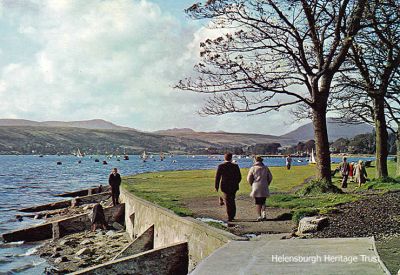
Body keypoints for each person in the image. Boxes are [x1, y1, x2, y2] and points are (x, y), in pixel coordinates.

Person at [215, 153, 242, 222]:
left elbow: (217, 177)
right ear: (231, 158)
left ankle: (230, 217)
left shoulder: (221, 166)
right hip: (234, 186)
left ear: (224, 158)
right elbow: (239, 177)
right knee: (232, 200)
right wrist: (236, 183)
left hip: (225, 186)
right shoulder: (235, 166)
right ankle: (232, 215)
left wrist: (216, 186)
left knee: (227, 201)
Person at [247, 156, 273, 221]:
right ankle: (264, 213)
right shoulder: (266, 168)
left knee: (258, 202)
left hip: (256, 186)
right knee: (263, 201)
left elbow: (249, 178)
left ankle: (259, 216)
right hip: (264, 185)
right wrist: (267, 183)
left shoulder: (253, 168)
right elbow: (270, 177)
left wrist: (251, 184)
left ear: (255, 160)